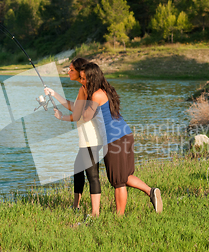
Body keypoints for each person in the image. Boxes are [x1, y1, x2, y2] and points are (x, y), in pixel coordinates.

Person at [79, 62, 163, 215]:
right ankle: (151, 192)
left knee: (118, 182)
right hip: (125, 135)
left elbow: (85, 116)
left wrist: (83, 94)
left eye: (84, 79)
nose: (82, 82)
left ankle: (119, 217)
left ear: (92, 78)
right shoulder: (106, 91)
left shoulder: (96, 95)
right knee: (125, 176)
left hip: (113, 139)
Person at [44, 58, 104, 216]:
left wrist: (62, 117)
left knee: (92, 176)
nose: (68, 72)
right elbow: (75, 106)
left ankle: (95, 213)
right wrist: (54, 94)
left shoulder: (86, 89)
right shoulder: (84, 88)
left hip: (91, 139)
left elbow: (77, 115)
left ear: (80, 72)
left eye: (71, 70)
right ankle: (75, 206)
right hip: (86, 139)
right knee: (78, 170)